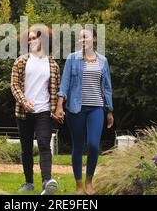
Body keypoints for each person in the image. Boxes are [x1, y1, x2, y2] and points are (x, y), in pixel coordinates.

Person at [54, 27, 114, 195]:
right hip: (75, 109)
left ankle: (89, 181)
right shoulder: (72, 59)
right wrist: (59, 106)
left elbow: (107, 88)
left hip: (96, 108)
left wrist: (109, 111)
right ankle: (79, 185)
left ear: (94, 39)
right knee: (78, 146)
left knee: (94, 145)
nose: (82, 41)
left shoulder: (103, 61)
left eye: (85, 37)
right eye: (80, 38)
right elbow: (64, 84)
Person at [11, 24, 62, 195]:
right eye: (30, 39)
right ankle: (28, 183)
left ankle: (47, 182)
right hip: (24, 112)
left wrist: (57, 109)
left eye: (35, 38)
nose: (32, 41)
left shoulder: (53, 65)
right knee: (26, 148)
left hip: (44, 111)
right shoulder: (20, 61)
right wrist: (24, 101)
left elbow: (56, 90)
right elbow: (14, 85)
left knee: (43, 144)